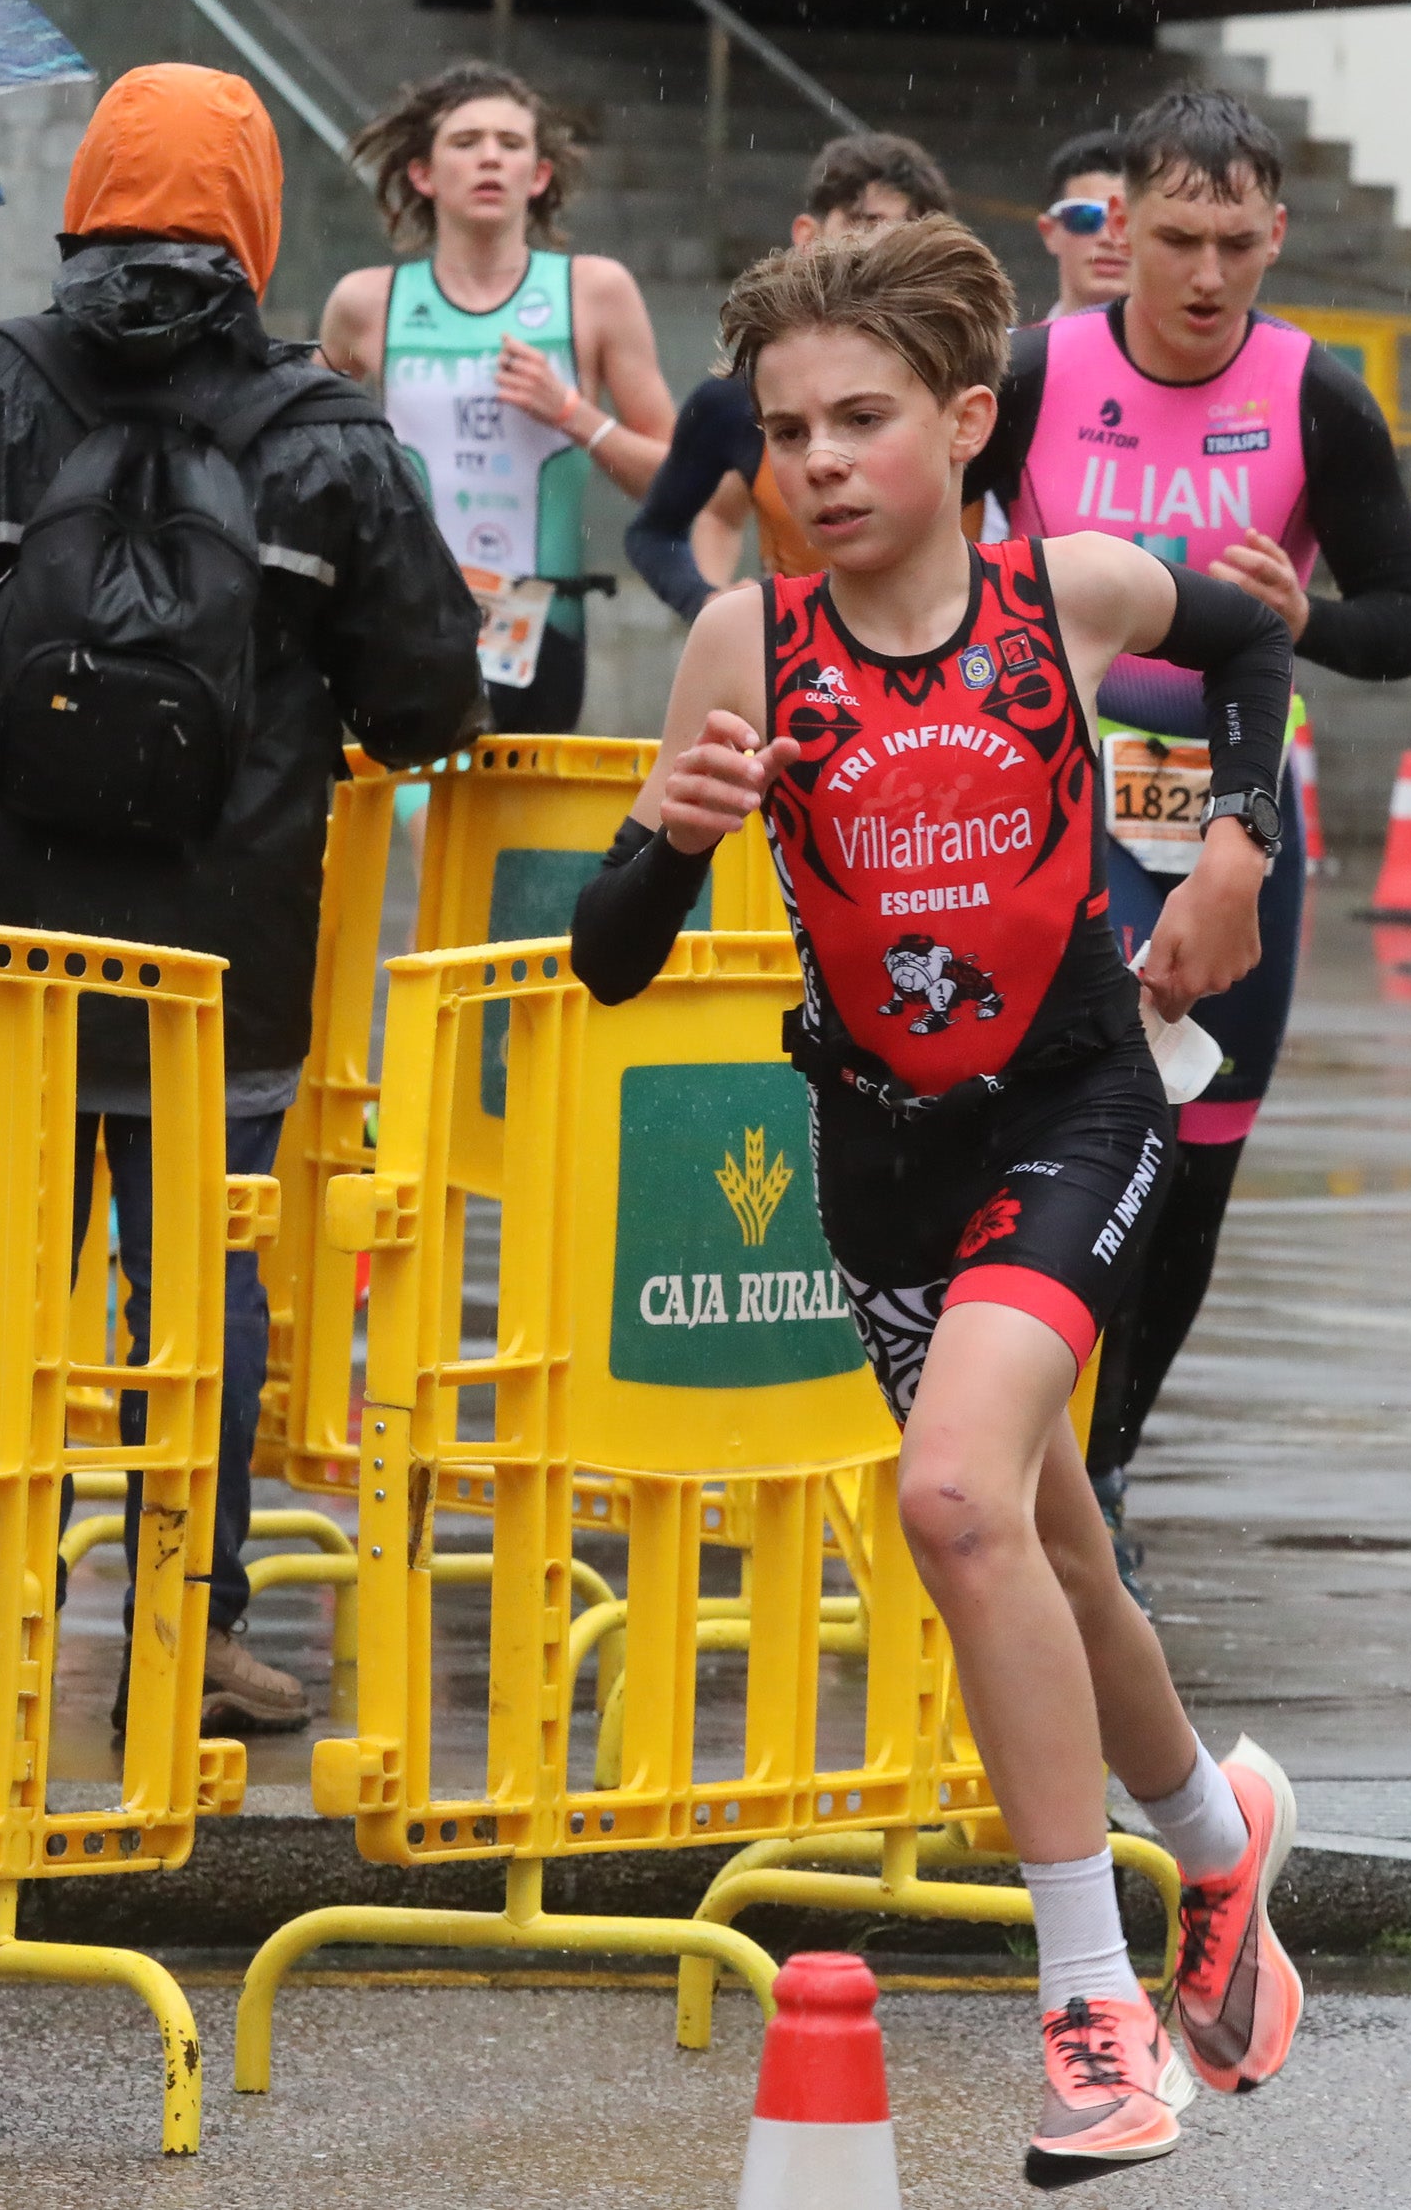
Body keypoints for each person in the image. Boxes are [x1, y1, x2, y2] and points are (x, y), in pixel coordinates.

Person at [571, 215, 1306, 2183]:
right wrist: (660, 840)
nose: (814, 461)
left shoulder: (1054, 592)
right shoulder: (745, 642)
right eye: (787, 429)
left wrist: (1233, 847)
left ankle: (1089, 2010)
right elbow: (608, 958)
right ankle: (1222, 1844)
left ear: (968, 421)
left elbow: (1245, 642)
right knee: (1046, 1543)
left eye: (861, 419)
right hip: (880, 1161)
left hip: (1074, 1103)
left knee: (956, 1496)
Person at [0, 64, 484, 1735]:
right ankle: (196, 1625)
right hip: (226, 960)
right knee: (205, 1293)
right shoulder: (326, 436)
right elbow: (425, 702)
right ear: (256, 228)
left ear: (82, 206)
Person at [971, 88, 1411, 1552]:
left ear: (1278, 232)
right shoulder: (1039, 372)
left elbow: (1409, 623)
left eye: (1239, 239)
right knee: (1047, 1136)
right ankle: (1012, 1449)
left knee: (1196, 1156)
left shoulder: (1316, 396)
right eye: (1177, 234)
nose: (1207, 272)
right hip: (1059, 803)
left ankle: (1103, 1466)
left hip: (1237, 808)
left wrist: (1313, 623)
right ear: (1123, 225)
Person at [322, 62, 675, 732]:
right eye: (466, 141)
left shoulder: (595, 292)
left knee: (509, 842)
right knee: (431, 834)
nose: (490, 157)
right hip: (406, 629)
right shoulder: (365, 303)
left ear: (538, 176)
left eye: (511, 144)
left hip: (542, 639)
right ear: (423, 173)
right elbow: (310, 470)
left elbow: (679, 481)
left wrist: (571, 412)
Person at [623, 129, 952, 619]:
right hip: (804, 676)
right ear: (807, 236)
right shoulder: (736, 400)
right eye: (867, 225)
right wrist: (709, 603)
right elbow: (653, 533)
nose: (884, 250)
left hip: (955, 669)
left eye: (906, 237)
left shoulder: (975, 385)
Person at [1034, 127, 1133, 322]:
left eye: (1125, 221)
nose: (1108, 238)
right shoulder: (1010, 351)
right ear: (1048, 232)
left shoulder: (1199, 352)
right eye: (1084, 217)